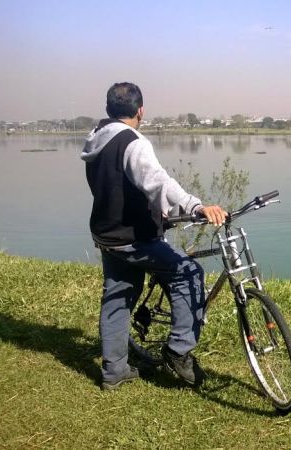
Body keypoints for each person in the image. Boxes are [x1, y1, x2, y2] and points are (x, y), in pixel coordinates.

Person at [81, 82, 228, 390]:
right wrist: (195, 205)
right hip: (134, 237)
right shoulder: (131, 141)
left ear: (109, 109)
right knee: (188, 273)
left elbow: (120, 185)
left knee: (117, 300)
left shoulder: (96, 138)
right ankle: (178, 350)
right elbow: (157, 180)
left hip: (108, 236)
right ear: (141, 111)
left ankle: (114, 371)